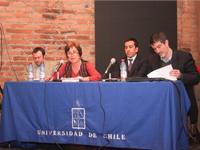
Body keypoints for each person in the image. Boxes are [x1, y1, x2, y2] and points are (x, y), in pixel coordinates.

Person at [148, 31, 200, 142]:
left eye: (159, 47)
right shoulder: (152, 60)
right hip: (162, 103)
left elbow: (195, 78)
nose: (157, 51)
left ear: (166, 43)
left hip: (182, 102)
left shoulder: (184, 57)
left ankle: (191, 131)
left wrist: (181, 75)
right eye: (154, 49)